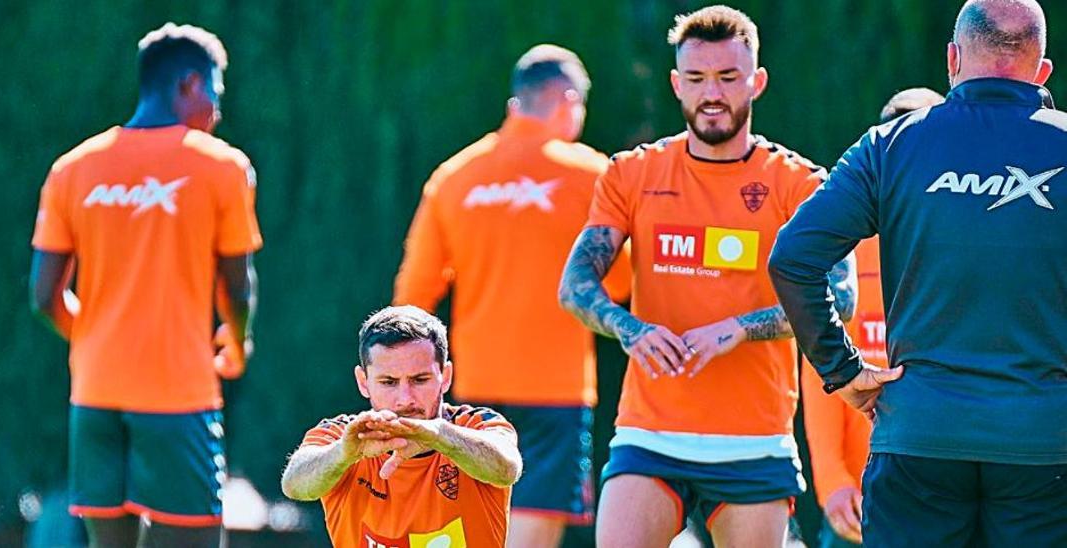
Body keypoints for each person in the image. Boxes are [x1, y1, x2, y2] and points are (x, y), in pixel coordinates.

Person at [770, 1, 1067, 545]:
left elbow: (792, 258)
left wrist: (844, 372)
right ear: (1042, 70)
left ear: (952, 59)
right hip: (1044, 447)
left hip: (918, 439)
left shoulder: (892, 144)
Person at [557, 6, 855, 547]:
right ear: (676, 84)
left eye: (727, 77)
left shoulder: (800, 183)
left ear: (757, 82)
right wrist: (632, 330)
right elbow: (575, 284)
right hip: (649, 433)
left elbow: (843, 297)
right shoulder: (634, 172)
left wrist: (739, 328)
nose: (711, 93)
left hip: (754, 441)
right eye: (696, 79)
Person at [29, 22, 259, 548]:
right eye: (215, 93)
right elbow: (238, 287)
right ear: (189, 85)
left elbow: (43, 297)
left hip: (94, 397)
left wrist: (93, 338)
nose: (218, 112)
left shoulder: (72, 169)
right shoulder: (222, 167)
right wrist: (238, 342)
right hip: (179, 395)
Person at [393, 44, 629, 547]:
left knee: (476, 529)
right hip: (557, 389)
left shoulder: (455, 177)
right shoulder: (594, 176)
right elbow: (623, 283)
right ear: (568, 101)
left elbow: (413, 297)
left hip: (476, 387)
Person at [799, 87, 944, 548]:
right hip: (861, 496)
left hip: (947, 487)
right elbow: (819, 367)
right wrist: (832, 479)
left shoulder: (966, 249)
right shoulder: (846, 247)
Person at [281, 306, 522, 548]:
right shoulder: (346, 436)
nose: (405, 399)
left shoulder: (475, 425)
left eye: (420, 380)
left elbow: (507, 468)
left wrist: (439, 436)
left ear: (445, 376)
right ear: (363, 382)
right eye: (388, 382)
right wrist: (344, 454)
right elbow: (294, 484)